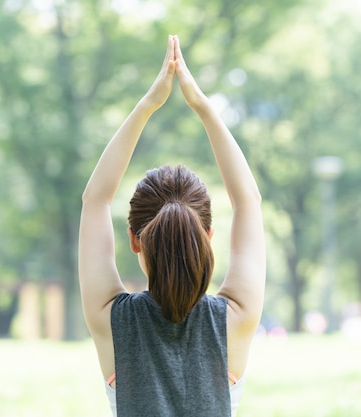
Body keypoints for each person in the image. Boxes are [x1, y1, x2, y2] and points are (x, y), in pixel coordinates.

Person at [78, 35, 266, 417]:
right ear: (208, 238)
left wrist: (147, 105)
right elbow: (248, 201)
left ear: (134, 240)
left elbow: (95, 200)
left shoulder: (111, 319)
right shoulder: (235, 318)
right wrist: (202, 105)